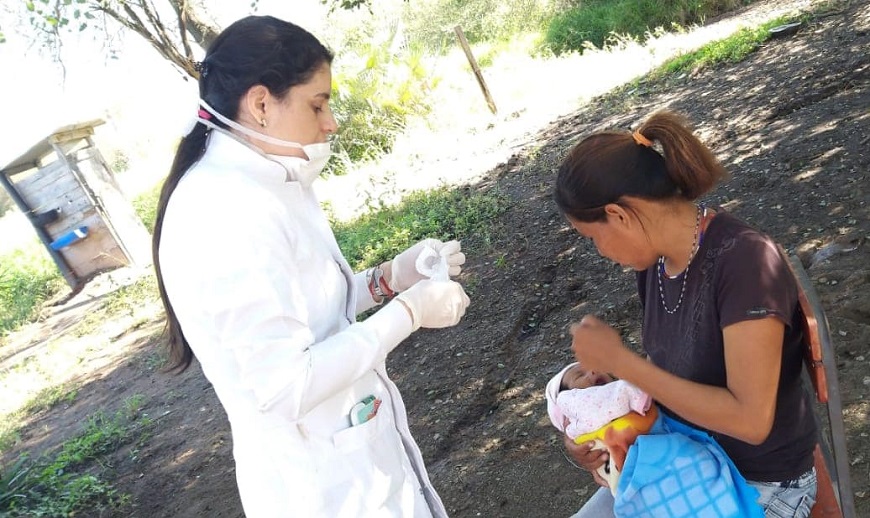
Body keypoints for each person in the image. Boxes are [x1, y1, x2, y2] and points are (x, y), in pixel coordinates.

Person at [151, 16, 471, 517]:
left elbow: (304, 307)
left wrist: (388, 279)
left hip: (349, 459)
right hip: (317, 488)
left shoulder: (267, 181)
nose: (331, 122)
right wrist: (410, 312)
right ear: (261, 104)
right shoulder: (221, 212)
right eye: (317, 104)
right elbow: (285, 385)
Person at [552, 110, 818, 517]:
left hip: (759, 485)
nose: (599, 251)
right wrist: (602, 435)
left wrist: (622, 362)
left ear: (618, 215)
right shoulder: (657, 265)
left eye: (592, 237)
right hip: (686, 461)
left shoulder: (745, 261)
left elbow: (751, 421)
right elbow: (672, 386)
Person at [545, 362, 656, 492]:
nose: (593, 370)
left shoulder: (622, 395)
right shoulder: (625, 394)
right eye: (579, 375)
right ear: (568, 402)